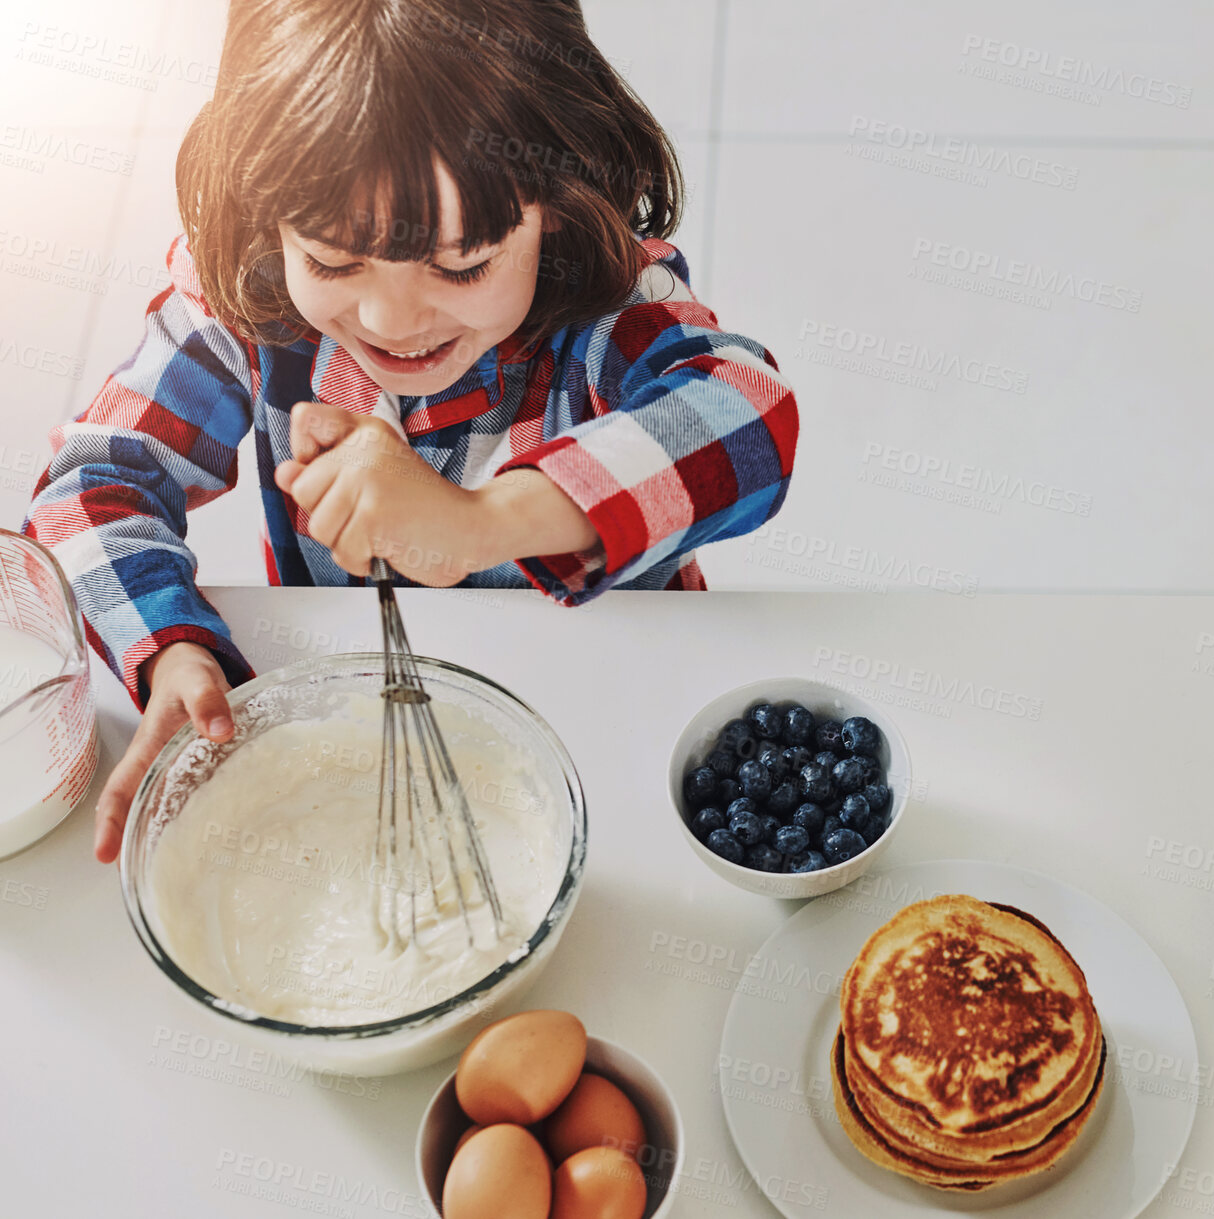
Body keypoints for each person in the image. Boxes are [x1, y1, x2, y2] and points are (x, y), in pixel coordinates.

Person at [23, 0, 799, 863]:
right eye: (331, 260)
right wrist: (170, 648)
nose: (392, 318)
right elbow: (86, 489)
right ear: (262, 213)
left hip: (619, 708)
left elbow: (751, 418)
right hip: (366, 736)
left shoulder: (604, 306)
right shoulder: (244, 303)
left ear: (557, 198)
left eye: (461, 264)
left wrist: (484, 522)